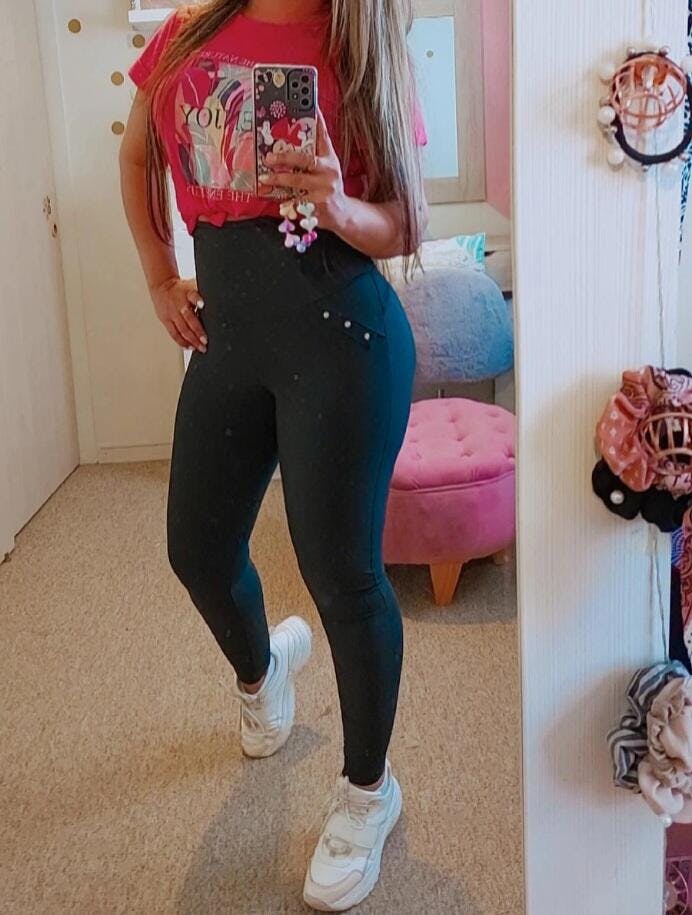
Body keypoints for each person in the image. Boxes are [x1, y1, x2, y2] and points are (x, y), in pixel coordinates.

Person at [120, 0, 427, 909]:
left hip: (345, 342)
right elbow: (136, 156)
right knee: (197, 550)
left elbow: (406, 223)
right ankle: (264, 672)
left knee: (343, 575)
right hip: (229, 341)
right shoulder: (185, 33)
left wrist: (335, 204)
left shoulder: (362, 40)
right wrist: (156, 272)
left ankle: (369, 791)